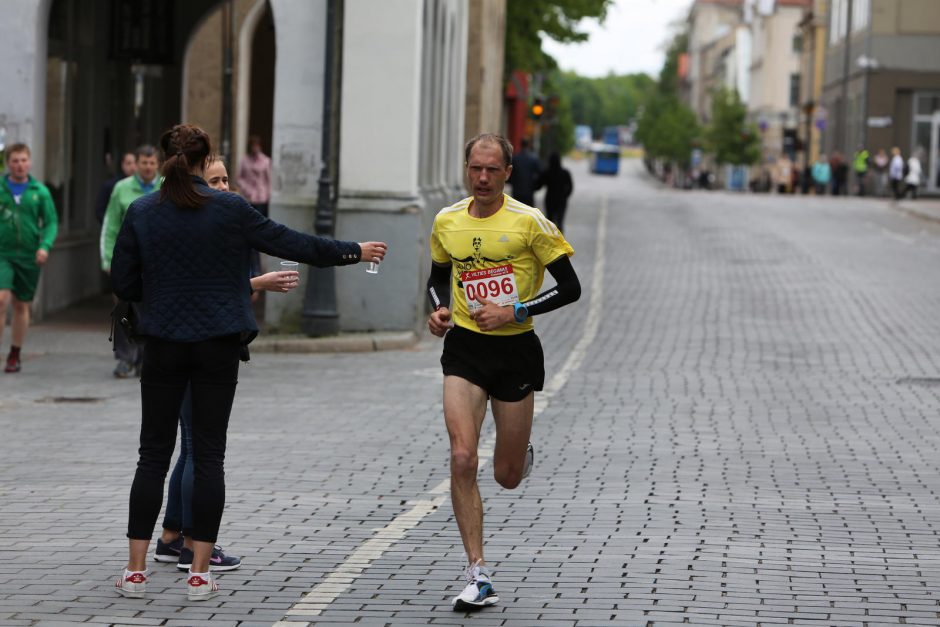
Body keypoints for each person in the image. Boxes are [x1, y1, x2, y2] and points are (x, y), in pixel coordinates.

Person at [111, 124, 387, 601]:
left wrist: (166, 293)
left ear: (165, 158)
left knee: (152, 455)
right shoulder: (231, 208)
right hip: (217, 343)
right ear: (205, 161)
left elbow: (124, 281)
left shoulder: (141, 211)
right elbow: (293, 243)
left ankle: (136, 571)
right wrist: (352, 251)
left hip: (164, 344)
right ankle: (199, 573)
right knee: (210, 455)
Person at [426, 133, 581, 611]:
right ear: (466, 168)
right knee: (461, 457)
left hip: (515, 351)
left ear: (508, 172)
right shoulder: (446, 220)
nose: (483, 178)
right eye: (475, 168)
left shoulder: (531, 223)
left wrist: (515, 310)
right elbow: (436, 278)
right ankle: (477, 572)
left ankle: (519, 451)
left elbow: (570, 288)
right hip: (465, 351)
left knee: (506, 475)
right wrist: (438, 311)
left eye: (492, 169)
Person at [153, 157, 300, 573]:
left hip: (206, 343)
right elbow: (196, 285)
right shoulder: (191, 221)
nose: (222, 186)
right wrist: (259, 283)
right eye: (213, 179)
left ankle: (171, 536)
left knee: (192, 447)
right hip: (188, 346)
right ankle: (192, 548)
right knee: (199, 450)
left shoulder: (227, 218)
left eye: (224, 178)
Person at [100, 145, 161, 378]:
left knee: (152, 310)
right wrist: (107, 258)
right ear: (136, 164)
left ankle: (147, 359)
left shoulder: (166, 187)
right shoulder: (122, 189)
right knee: (124, 309)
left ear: (158, 165)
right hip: (126, 261)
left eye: (152, 163)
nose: (147, 167)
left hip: (157, 263)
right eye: (143, 163)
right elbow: (110, 225)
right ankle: (125, 359)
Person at [0, 143, 58, 373]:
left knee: (21, 305)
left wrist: (45, 246)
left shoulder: (39, 191)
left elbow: (52, 222)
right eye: (15, 160)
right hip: (2, 253)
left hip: (29, 255)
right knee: (1, 299)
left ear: (30, 162)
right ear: (7, 163)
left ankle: (15, 353)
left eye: (23, 160)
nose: (20, 165)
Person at [536, 152, 574, 232]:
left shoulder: (547, 172)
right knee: (560, 221)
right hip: (561, 200)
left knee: (550, 222)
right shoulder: (565, 173)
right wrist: (565, 196)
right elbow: (570, 187)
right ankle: (560, 241)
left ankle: (551, 240)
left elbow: (539, 185)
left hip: (550, 199)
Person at [95, 152, 137, 224]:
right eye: (129, 163)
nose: (132, 167)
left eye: (135, 163)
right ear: (122, 165)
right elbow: (100, 211)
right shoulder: (111, 185)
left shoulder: (145, 184)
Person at [236, 134, 271, 217]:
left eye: (257, 145)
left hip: (261, 197)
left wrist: (268, 194)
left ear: (260, 146)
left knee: (260, 220)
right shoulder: (244, 160)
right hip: (248, 196)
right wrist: (245, 188)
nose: (255, 148)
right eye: (253, 145)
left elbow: (269, 179)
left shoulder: (266, 161)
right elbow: (239, 178)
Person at [508, 138, 540, 207]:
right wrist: (536, 186)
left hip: (517, 190)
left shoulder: (515, 158)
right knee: (528, 212)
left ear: (521, 145)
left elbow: (509, 173)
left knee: (517, 210)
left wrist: (512, 182)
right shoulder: (533, 159)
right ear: (528, 145)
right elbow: (540, 174)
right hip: (529, 191)